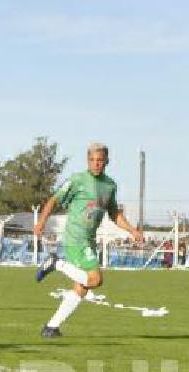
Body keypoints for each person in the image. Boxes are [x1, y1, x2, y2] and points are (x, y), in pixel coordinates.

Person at [34, 142, 144, 338]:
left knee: (82, 287)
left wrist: (132, 230)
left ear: (107, 161)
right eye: (92, 160)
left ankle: (51, 327)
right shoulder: (77, 180)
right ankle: (56, 263)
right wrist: (41, 221)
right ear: (87, 160)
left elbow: (113, 214)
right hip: (76, 237)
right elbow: (54, 200)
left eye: (100, 160)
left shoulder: (110, 186)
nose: (96, 164)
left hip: (89, 240)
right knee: (95, 279)